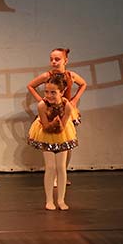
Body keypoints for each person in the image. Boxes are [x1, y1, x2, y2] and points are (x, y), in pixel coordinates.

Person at [27, 47, 88, 184]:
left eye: (57, 59)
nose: (53, 62)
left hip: (66, 111)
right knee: (51, 142)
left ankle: (62, 174)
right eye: (51, 59)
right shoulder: (47, 76)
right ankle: (52, 175)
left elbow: (83, 84)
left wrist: (74, 100)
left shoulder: (70, 75)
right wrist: (42, 100)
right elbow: (31, 86)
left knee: (67, 142)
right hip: (50, 113)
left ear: (65, 60)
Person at [26, 73, 77, 210]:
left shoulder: (67, 106)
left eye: (53, 92)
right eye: (46, 92)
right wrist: (52, 123)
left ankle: (61, 200)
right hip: (46, 132)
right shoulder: (42, 105)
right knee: (50, 167)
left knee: (61, 167)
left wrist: (58, 124)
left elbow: (62, 127)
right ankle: (49, 200)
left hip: (62, 134)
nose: (48, 95)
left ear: (62, 92)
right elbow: (46, 127)